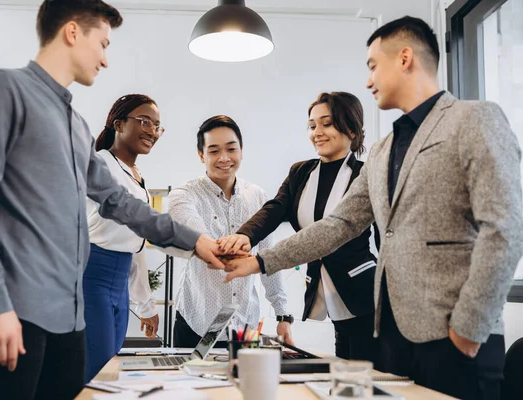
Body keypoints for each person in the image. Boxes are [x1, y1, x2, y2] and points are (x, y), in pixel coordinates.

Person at [220, 16, 523, 400]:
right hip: (393, 338)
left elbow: (505, 230)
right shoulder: (382, 151)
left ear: (405, 58)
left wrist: (468, 328)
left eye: (373, 66)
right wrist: (260, 262)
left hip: (456, 338)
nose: (368, 80)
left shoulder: (475, 120)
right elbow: (337, 225)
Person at [0, 2, 224, 399]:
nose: (106, 60)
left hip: (67, 317)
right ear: (73, 32)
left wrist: (197, 242)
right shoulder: (3, 89)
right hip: (11, 308)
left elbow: (121, 203)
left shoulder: (76, 126)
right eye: (103, 43)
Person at [218, 92, 379, 363]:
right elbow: (274, 209)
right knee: (344, 370)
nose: (317, 132)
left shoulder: (367, 175)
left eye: (327, 123)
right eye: (312, 125)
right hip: (328, 293)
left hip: (364, 294)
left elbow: (334, 232)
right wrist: (244, 236)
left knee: (365, 376)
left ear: (351, 127)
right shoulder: (301, 172)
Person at [168, 115, 293, 348]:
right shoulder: (184, 194)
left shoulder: (256, 195)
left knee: (244, 381)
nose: (224, 158)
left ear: (242, 151)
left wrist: (283, 314)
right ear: (201, 155)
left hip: (245, 323)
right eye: (214, 151)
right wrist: (218, 250)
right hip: (197, 321)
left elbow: (269, 258)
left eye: (231, 149)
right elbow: (196, 232)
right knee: (189, 383)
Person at [83, 94, 166, 382]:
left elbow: (135, 246)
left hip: (118, 285)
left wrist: (146, 305)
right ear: (118, 124)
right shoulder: (100, 165)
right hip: (92, 279)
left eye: (157, 126)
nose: (152, 131)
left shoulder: (135, 176)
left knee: (109, 369)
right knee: (97, 372)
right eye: (145, 122)